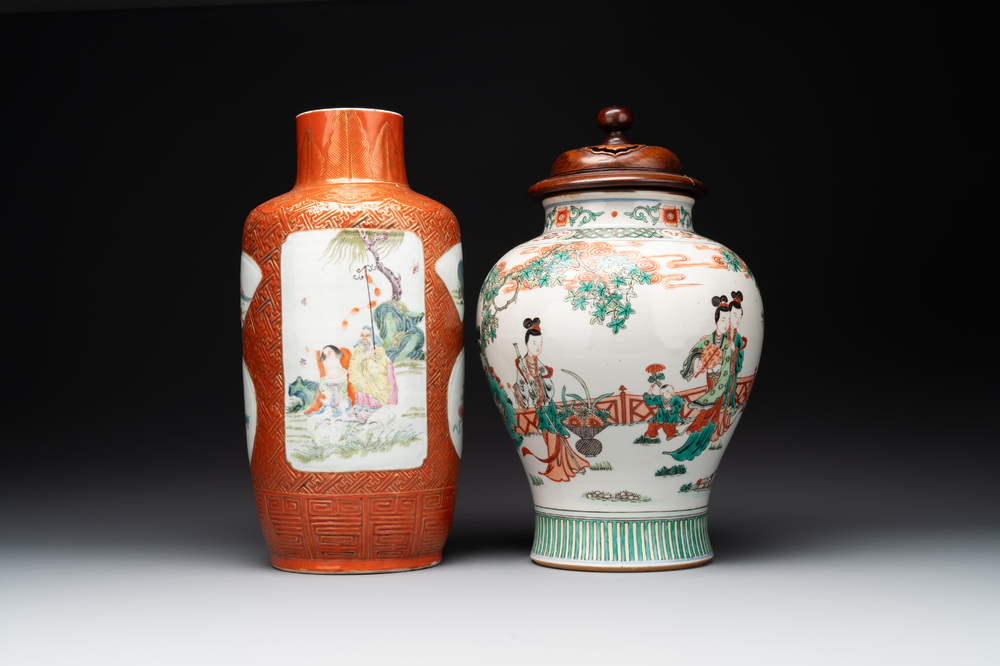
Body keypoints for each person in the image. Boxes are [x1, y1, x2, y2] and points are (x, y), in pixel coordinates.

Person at [516, 318, 590, 482]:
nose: (538, 347)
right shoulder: (522, 365)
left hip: (548, 405)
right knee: (549, 434)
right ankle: (556, 467)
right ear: (527, 344)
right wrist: (529, 392)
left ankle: (566, 464)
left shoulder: (538, 363)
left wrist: (543, 391)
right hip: (540, 407)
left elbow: (548, 384)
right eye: (535, 343)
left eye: (540, 343)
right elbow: (520, 386)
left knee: (557, 433)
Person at [667, 295, 738, 461]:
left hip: (721, 385)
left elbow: (728, 368)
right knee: (706, 413)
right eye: (723, 319)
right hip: (711, 382)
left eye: (728, 320)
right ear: (716, 320)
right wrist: (698, 363)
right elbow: (695, 353)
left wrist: (731, 352)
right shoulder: (707, 340)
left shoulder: (728, 344)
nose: (726, 323)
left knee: (711, 413)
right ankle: (690, 446)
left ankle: (700, 443)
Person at [348, 325, 398, 418]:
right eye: (362, 335)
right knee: (360, 380)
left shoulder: (379, 349)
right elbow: (354, 363)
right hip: (362, 380)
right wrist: (368, 354)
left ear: (373, 337)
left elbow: (382, 364)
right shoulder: (358, 349)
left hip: (376, 379)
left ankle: (374, 410)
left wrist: (372, 356)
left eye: (367, 336)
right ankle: (361, 409)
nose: (364, 338)